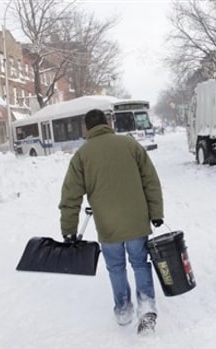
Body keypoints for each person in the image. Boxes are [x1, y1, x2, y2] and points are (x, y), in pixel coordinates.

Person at [59, 109, 164, 335]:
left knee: (116, 267)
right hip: (137, 221)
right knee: (139, 263)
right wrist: (156, 212)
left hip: (107, 226)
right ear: (107, 123)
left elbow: (71, 195)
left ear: (87, 128)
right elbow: (150, 179)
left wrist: (69, 230)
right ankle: (146, 307)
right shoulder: (130, 144)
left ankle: (124, 309)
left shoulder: (82, 155)